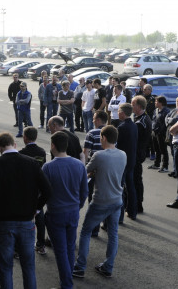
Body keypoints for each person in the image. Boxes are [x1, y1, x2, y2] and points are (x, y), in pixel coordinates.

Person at [0, 132, 51, 289]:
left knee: (6, 267)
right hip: (27, 220)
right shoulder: (32, 163)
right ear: (14, 144)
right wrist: (37, 208)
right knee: (28, 267)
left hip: (4, 221)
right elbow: (47, 190)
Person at [73, 126, 126, 279]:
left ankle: (80, 267)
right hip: (117, 199)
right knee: (113, 234)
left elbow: (84, 171)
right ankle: (108, 266)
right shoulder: (123, 154)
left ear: (103, 138)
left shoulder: (99, 155)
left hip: (101, 201)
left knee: (85, 232)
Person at [42, 131, 88, 289]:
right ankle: (67, 280)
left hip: (55, 213)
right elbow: (84, 191)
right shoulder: (78, 165)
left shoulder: (48, 167)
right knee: (69, 248)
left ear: (53, 146)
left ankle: (67, 284)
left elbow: (43, 193)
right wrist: (78, 205)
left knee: (60, 250)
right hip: (73, 212)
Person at [19, 127, 47, 254]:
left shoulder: (20, 153)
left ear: (25, 137)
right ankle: (40, 245)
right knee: (39, 217)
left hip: (24, 189)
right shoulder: (41, 152)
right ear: (36, 137)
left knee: (21, 218)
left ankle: (18, 248)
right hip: (37, 188)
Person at [116, 103, 138, 221]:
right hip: (131, 159)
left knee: (120, 188)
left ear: (123, 113)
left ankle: (119, 216)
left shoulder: (122, 127)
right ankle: (132, 211)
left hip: (123, 161)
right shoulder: (134, 125)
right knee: (130, 186)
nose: (118, 113)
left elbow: (118, 145)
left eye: (119, 111)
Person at [131, 96, 152, 213]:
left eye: (133, 104)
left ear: (139, 106)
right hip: (139, 152)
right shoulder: (141, 118)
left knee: (135, 179)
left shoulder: (141, 122)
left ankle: (138, 204)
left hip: (137, 153)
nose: (131, 106)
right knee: (136, 179)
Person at [148, 96, 170, 172]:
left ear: (161, 103)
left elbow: (166, 124)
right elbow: (153, 120)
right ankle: (157, 164)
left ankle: (165, 166)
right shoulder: (156, 110)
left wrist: (159, 131)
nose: (155, 103)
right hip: (154, 133)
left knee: (163, 150)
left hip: (161, 134)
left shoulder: (166, 111)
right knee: (156, 149)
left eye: (156, 101)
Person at [165, 96, 178, 178]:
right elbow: (166, 117)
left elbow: (173, 120)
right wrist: (169, 121)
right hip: (170, 135)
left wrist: (169, 120)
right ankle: (175, 170)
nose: (177, 104)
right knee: (173, 153)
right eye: (177, 102)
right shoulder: (175, 110)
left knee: (177, 155)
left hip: (176, 136)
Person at [143, 84, 156, 160]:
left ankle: (153, 152)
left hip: (150, 120)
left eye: (145, 89)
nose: (143, 91)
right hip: (143, 119)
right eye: (143, 89)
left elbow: (149, 109)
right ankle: (146, 152)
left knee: (151, 138)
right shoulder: (142, 97)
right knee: (145, 137)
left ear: (150, 90)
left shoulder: (152, 99)